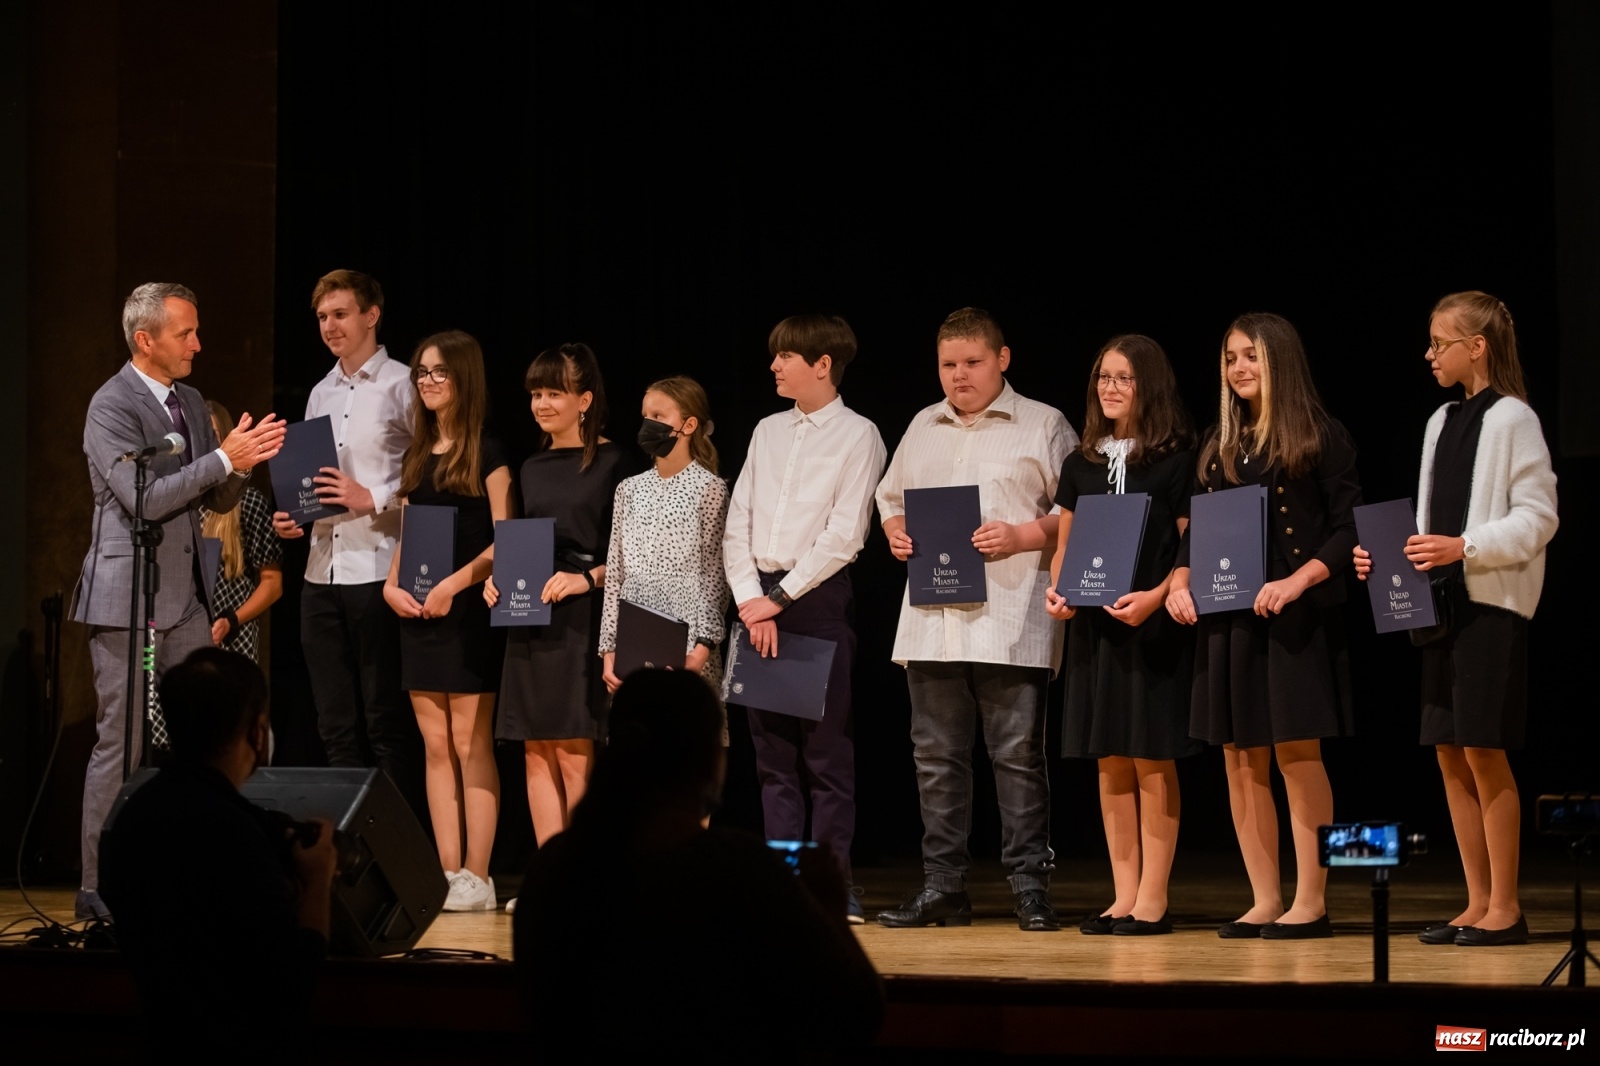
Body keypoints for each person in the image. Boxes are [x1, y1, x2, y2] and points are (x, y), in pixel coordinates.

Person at [514, 669, 884, 1062]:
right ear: (710, 759)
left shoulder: (553, 869)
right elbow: (856, 1014)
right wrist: (830, 909)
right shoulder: (737, 869)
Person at [72, 282, 286, 920]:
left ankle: (208, 874)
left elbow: (214, 500)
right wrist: (224, 457)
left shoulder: (191, 401)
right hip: (126, 597)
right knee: (124, 742)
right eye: (185, 333)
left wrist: (239, 466)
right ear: (146, 340)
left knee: (215, 734)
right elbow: (146, 498)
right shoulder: (110, 405)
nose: (198, 343)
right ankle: (97, 886)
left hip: (188, 599)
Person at [1354, 291, 1557, 947]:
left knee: (1482, 747)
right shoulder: (1441, 419)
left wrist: (1462, 547)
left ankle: (1507, 905)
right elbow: (1427, 522)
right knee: (1448, 753)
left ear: (1478, 347)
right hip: (1436, 602)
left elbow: (1538, 518)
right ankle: (1476, 902)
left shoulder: (1513, 420)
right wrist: (1383, 557)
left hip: (1488, 602)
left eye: (1440, 342)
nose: (1429, 354)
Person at [874, 307, 1077, 932]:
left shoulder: (1044, 424)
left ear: (1003, 359)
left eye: (972, 363)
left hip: (1010, 616)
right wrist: (897, 533)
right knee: (935, 756)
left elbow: (1078, 514)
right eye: (948, 365)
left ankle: (1028, 886)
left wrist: (1022, 533)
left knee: (1016, 754)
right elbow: (889, 500)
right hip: (932, 617)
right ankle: (944, 888)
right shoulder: (922, 425)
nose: (959, 376)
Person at [1166, 312, 1361, 939]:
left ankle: (1312, 899)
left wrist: (1299, 579)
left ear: (1280, 360)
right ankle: (1264, 898)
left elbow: (1348, 528)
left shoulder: (1320, 434)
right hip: (1229, 620)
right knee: (1239, 758)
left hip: (1293, 617)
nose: (1239, 368)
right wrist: (1181, 582)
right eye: (1230, 358)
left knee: (1296, 754)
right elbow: (1197, 529)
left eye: (1251, 356)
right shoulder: (1220, 443)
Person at [723, 314, 886, 923]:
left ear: (822, 363)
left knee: (824, 757)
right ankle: (783, 883)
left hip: (811, 599)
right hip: (756, 598)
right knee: (770, 759)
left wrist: (780, 598)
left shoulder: (858, 434)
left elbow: (846, 534)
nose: (774, 366)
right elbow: (739, 517)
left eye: (786, 355)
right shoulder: (767, 430)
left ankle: (831, 885)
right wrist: (749, 598)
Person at [99, 648, 336, 1059]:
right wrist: (317, 883)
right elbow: (291, 982)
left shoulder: (131, 820)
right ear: (258, 733)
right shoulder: (237, 836)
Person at [1045, 335, 1201, 936]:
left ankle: (1153, 897)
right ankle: (1123, 893)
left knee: (1151, 757)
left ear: (1150, 386)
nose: (1110, 388)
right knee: (1110, 759)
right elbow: (1064, 546)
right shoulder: (1079, 462)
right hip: (1094, 628)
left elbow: (1191, 542)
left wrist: (1158, 597)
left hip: (1150, 621)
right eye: (1104, 377)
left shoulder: (1176, 458)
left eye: (1124, 378)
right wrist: (1058, 593)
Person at [487, 343, 640, 913]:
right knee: (535, 748)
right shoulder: (530, 466)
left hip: (581, 612)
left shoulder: (615, 462)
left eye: (554, 392)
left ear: (585, 399)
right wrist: (497, 579)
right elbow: (523, 543)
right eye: (535, 393)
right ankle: (548, 876)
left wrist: (588, 581)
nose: (541, 403)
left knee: (576, 750)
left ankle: (585, 874)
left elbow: (628, 552)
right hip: (529, 614)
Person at [273, 270, 419, 805]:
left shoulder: (405, 384)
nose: (329, 326)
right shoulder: (319, 392)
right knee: (334, 723)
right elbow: (314, 480)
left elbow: (430, 478)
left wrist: (373, 497)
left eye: (339, 314)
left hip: (380, 569)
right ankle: (350, 854)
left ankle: (400, 863)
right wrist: (295, 515)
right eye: (321, 318)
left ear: (371, 315)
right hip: (321, 570)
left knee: (385, 720)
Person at [382, 331, 512, 912]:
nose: (427, 382)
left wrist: (453, 585)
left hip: (467, 613)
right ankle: (447, 870)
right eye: (421, 373)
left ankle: (479, 876)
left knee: (468, 741)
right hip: (419, 612)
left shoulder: (489, 450)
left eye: (438, 373)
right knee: (434, 746)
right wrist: (391, 583)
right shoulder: (417, 452)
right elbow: (408, 533)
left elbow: (506, 541)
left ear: (464, 379)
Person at [599, 377, 731, 704]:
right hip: (635, 624)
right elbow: (615, 574)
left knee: (683, 738)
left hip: (687, 627)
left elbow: (716, 576)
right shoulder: (628, 490)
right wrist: (608, 648)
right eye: (646, 416)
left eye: (659, 416)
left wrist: (703, 647)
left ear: (688, 425)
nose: (649, 424)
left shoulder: (710, 489)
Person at [202, 401, 284, 661]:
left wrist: (231, 620)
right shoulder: (181, 503)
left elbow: (273, 584)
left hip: (233, 639)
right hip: (186, 637)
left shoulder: (247, 502)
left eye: (212, 434)